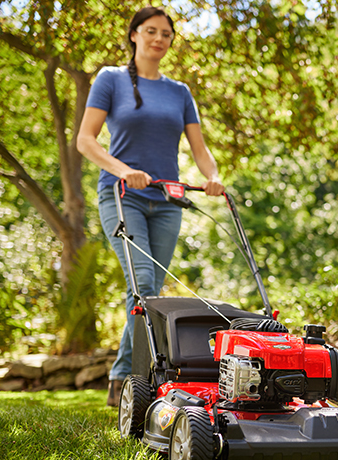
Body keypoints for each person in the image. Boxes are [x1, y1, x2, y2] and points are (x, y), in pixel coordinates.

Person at [77, 6, 225, 406]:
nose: (159, 39)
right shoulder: (110, 79)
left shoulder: (179, 92)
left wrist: (212, 177)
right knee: (142, 283)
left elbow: (199, 148)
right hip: (121, 195)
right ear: (134, 35)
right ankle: (126, 377)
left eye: (166, 34)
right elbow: (86, 140)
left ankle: (127, 378)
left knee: (151, 292)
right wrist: (124, 170)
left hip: (167, 200)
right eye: (151, 31)